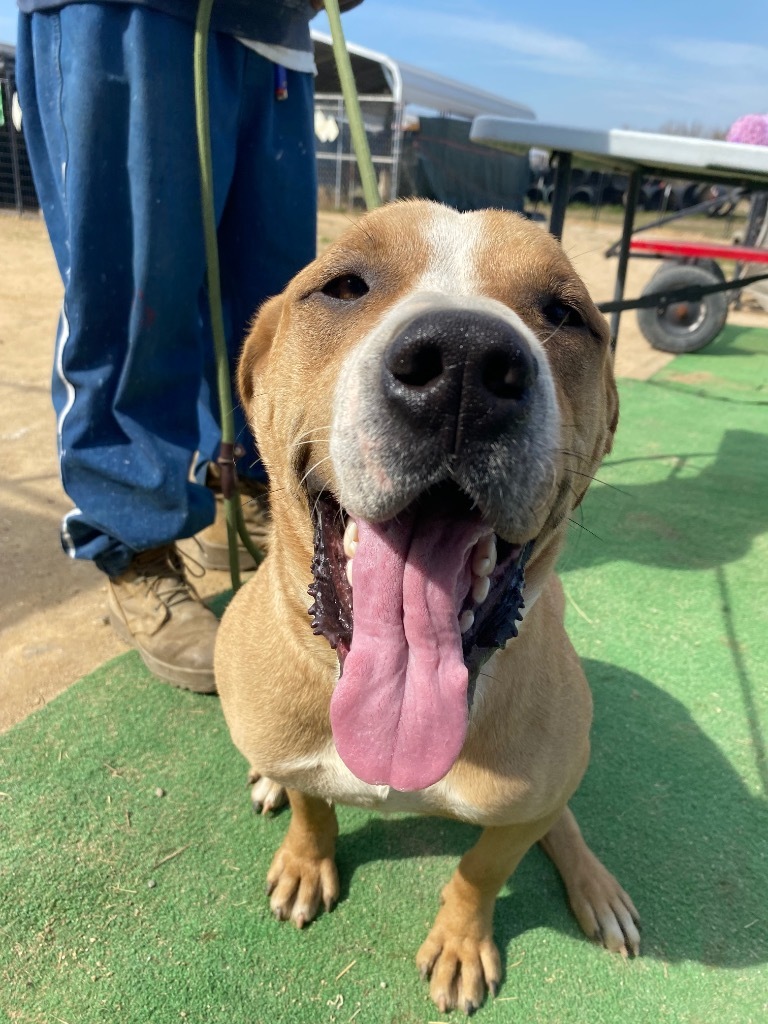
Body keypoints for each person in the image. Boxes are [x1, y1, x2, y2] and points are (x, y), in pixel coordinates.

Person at [15, 0, 359, 694]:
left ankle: (253, 491)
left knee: (276, 308)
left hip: (276, 35)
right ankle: (134, 540)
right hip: (131, 15)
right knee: (136, 287)